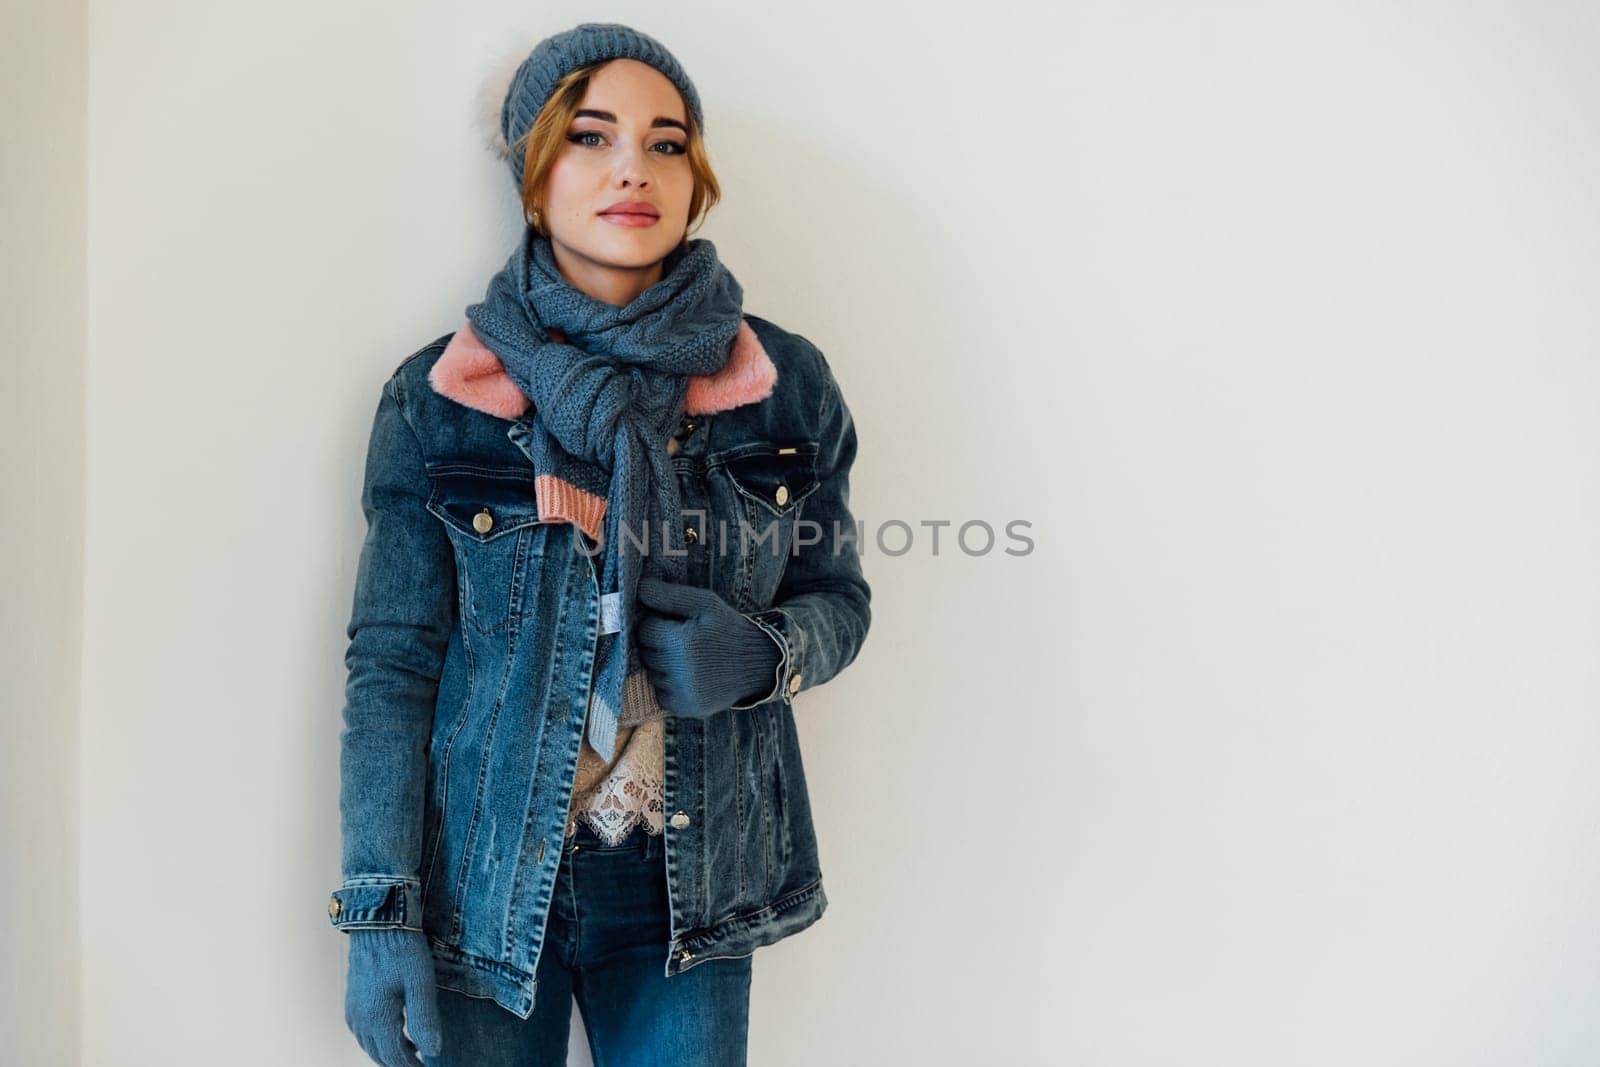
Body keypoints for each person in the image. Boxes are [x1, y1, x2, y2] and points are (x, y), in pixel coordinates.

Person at [325, 22, 873, 1066]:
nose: (634, 166)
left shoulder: (779, 385)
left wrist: (764, 652)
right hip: (483, 892)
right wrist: (376, 908)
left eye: (667, 142)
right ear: (534, 178)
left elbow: (837, 594)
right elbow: (392, 664)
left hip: (693, 894)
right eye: (591, 135)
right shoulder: (442, 396)